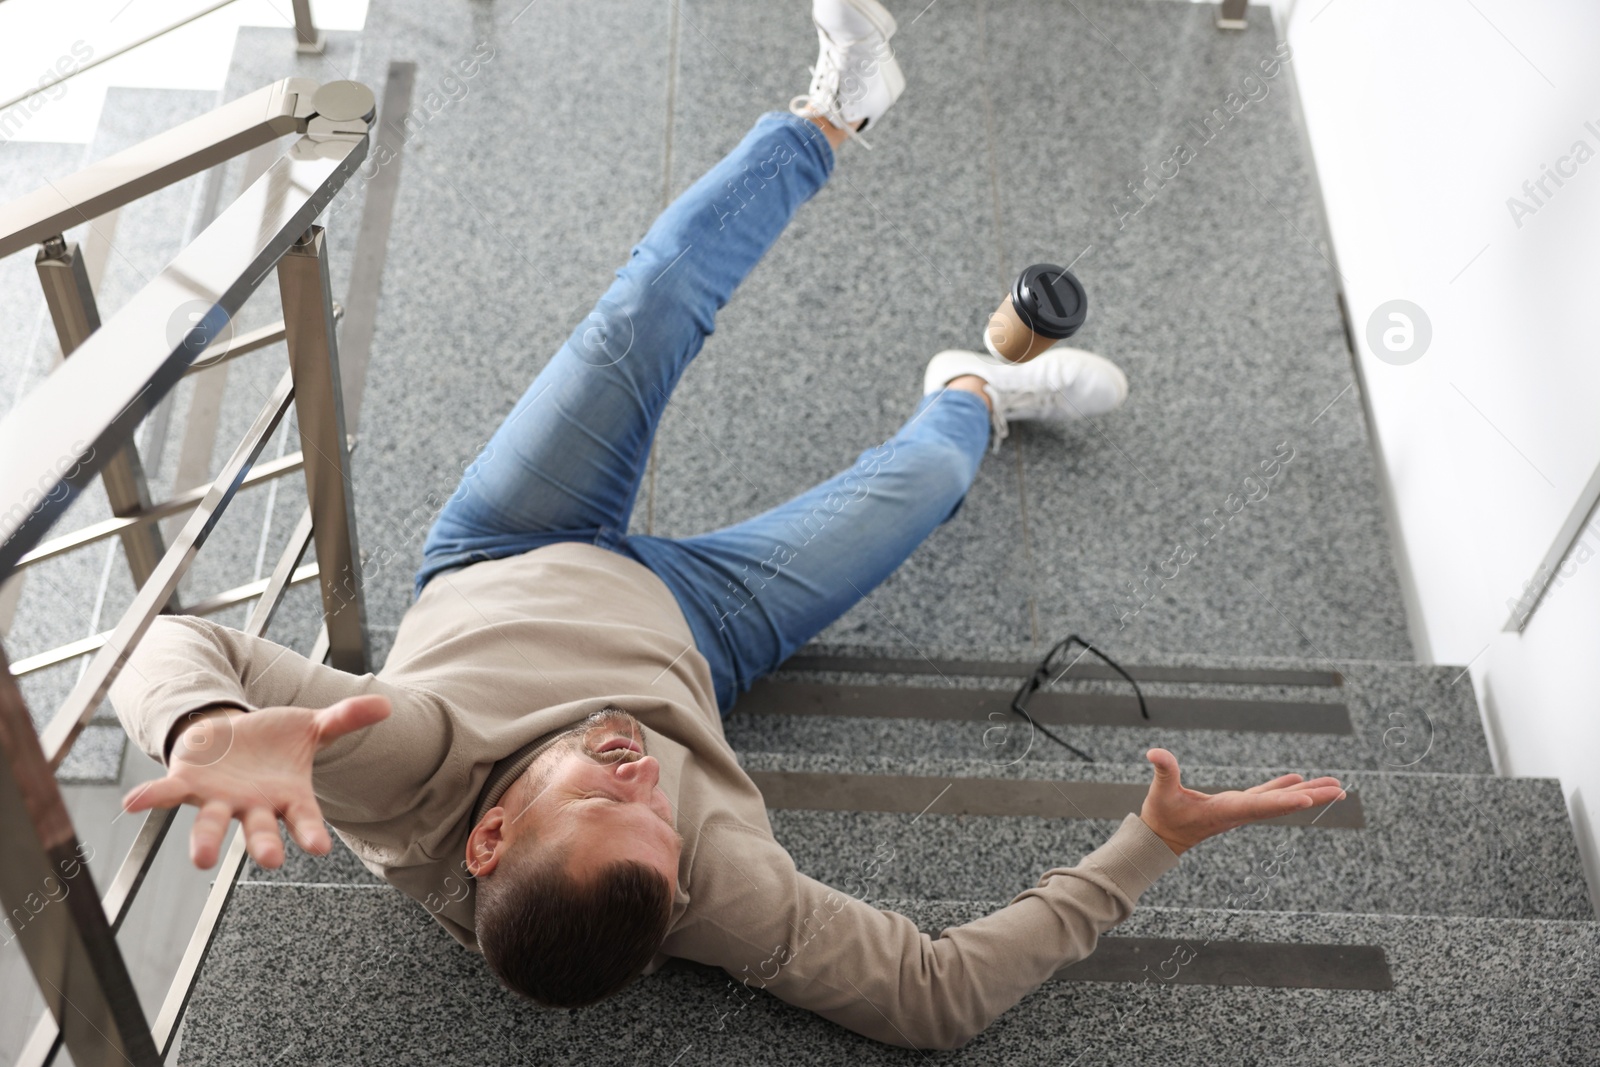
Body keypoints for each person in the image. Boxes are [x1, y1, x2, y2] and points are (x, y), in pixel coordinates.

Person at [112, 0, 1344, 1050]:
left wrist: (209, 723)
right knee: (917, 487)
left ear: (488, 833)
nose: (644, 769)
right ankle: (982, 388)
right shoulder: (708, 883)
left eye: (607, 790)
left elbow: (171, 641)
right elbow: (936, 996)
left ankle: (836, 111)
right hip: (696, 635)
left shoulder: (402, 774)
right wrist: (1150, 840)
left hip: (509, 545)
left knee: (647, 306)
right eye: (659, 812)